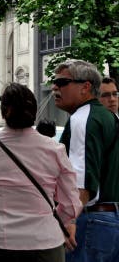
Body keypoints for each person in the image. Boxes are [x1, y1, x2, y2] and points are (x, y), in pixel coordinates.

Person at [0, 83, 81, 262]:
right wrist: (53, 221)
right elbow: (71, 203)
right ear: (34, 111)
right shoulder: (54, 149)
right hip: (44, 242)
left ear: (4, 111)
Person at [53, 59, 119, 262]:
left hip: (90, 220)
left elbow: (80, 176)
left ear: (85, 87)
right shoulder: (109, 117)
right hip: (110, 219)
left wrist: (70, 219)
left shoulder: (82, 118)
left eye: (63, 83)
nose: (55, 87)